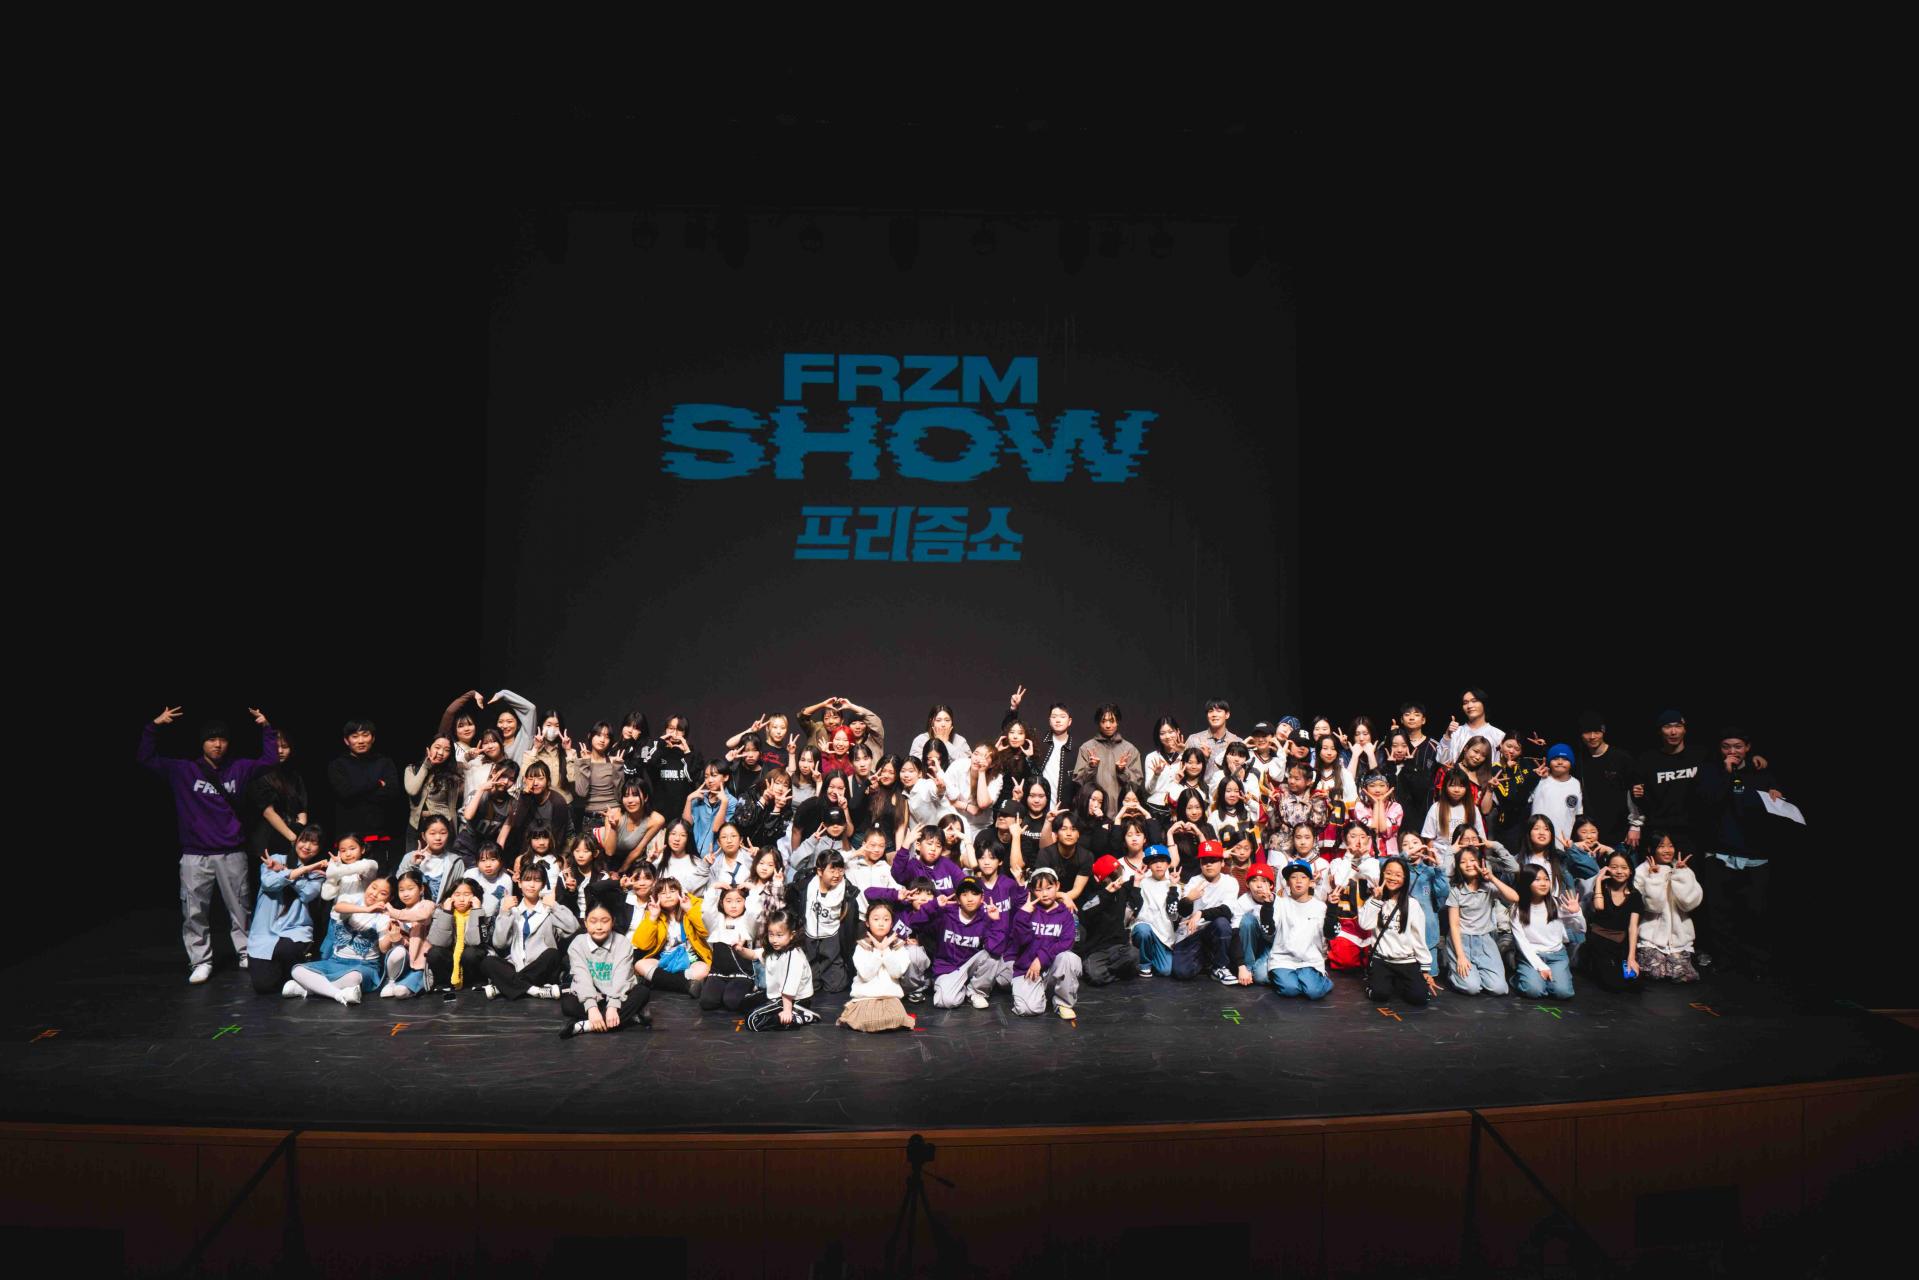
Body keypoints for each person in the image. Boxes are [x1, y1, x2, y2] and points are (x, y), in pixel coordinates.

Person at [139, 705, 279, 982]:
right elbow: (146, 758)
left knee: (240, 908)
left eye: (222, 739)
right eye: (211, 739)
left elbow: (270, 760)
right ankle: (200, 960)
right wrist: (153, 726)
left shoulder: (239, 768)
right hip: (195, 853)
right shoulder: (184, 770)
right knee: (194, 911)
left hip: (232, 851)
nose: (217, 744)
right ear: (202, 743)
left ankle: (245, 951)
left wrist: (266, 728)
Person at [1693, 727, 1786, 980]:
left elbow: (1774, 805)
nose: (1732, 751)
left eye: (1737, 746)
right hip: (1720, 853)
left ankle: (1757, 965)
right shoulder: (1710, 772)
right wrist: (1726, 773)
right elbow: (1707, 802)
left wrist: (1777, 795)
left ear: (1747, 748)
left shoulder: (1761, 772)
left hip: (1754, 855)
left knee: (1755, 912)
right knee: (1720, 914)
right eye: (1726, 747)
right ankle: (1725, 962)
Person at [285, 875, 393, 1005]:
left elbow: (384, 949)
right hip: (336, 961)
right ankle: (338, 994)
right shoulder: (354, 899)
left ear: (389, 899)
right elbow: (339, 907)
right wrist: (367, 909)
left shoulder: (384, 917)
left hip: (363, 966)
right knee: (297, 970)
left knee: (353, 978)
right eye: (373, 887)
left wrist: (391, 934)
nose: (374, 894)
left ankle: (309, 988)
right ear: (367, 886)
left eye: (382, 893)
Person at [247, 825, 329, 996]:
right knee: (263, 986)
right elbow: (269, 883)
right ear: (296, 841)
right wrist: (301, 870)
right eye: (304, 840)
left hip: (295, 929)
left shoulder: (318, 873)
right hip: (264, 932)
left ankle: (298, 973)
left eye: (314, 843)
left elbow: (308, 894)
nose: (307, 846)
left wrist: (286, 871)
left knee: (286, 950)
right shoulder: (276, 859)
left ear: (320, 848)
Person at [480, 863, 579, 1000]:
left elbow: (573, 927)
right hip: (517, 966)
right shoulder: (513, 910)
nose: (531, 885)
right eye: (527, 880)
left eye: (537, 880)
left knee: (553, 954)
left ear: (543, 885)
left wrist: (555, 906)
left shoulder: (549, 909)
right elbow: (499, 943)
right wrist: (504, 913)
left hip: (542, 968)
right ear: (520, 883)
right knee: (488, 962)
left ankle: (503, 987)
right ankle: (533, 990)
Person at [560, 903, 651, 1037]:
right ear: (585, 923)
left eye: (605, 921)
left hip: (619, 994)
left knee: (642, 992)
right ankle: (628, 1017)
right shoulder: (578, 943)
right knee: (568, 1004)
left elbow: (622, 977)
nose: (599, 926)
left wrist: (613, 1005)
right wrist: (591, 1007)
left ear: (613, 922)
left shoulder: (622, 942)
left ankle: (586, 1025)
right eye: (593, 921)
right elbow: (582, 976)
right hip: (593, 994)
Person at [328, 719, 403, 875]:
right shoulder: (338, 765)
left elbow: (392, 793)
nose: (361, 740)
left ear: (373, 738)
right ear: (346, 740)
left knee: (379, 880)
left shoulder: (384, 762)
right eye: (355, 736)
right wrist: (377, 784)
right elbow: (345, 794)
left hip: (379, 833)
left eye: (365, 735)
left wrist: (358, 792)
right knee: (347, 881)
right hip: (349, 836)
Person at [1444, 841, 1518, 995]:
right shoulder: (1456, 891)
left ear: (1480, 862)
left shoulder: (1488, 887)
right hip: (1462, 940)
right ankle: (1454, 973)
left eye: (1472, 860)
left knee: (1499, 988)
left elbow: (1515, 898)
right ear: (1458, 866)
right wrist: (1461, 956)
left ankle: (1477, 972)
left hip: (1485, 941)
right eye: (1463, 862)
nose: (1468, 864)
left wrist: (1492, 878)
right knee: (1472, 987)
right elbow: (1454, 925)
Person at [922, 878, 1008, 1009]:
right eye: (964, 894)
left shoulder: (986, 918)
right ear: (957, 899)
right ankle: (960, 988)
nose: (970, 899)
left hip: (970, 967)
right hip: (947, 970)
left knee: (992, 956)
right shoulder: (945, 914)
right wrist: (933, 905)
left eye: (975, 894)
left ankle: (976, 992)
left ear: (982, 898)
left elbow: (996, 950)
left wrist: (996, 921)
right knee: (946, 1002)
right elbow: (917, 924)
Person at [1255, 861, 1333, 999]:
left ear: (1311, 882)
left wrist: (1333, 909)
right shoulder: (1280, 903)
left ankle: (1320, 980)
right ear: (1287, 883)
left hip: (1309, 960)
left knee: (1313, 992)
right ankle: (1293, 979)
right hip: (1284, 958)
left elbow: (1330, 934)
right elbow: (1269, 930)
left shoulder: (1320, 906)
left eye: (1303, 877)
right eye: (1293, 877)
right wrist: (1267, 906)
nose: (1298, 881)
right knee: (1289, 990)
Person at [1010, 867, 1081, 1019]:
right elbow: (1020, 941)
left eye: (1049, 888)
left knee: (1069, 958)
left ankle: (1063, 1003)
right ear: (1032, 891)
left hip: (1051, 968)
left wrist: (1040, 959)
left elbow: (1066, 943)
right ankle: (1038, 993)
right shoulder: (1027, 910)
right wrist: (1023, 915)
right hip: (1027, 969)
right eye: (1039, 890)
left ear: (1057, 886)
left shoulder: (1065, 914)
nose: (1044, 894)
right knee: (1028, 1009)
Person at [1633, 832, 1704, 982]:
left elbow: (1688, 904)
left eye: (1670, 846)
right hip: (1651, 939)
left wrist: (1682, 875)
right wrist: (1654, 878)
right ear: (1651, 849)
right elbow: (1653, 907)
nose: (1667, 850)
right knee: (1654, 974)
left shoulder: (1683, 869)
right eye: (1661, 846)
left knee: (1683, 976)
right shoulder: (1641, 871)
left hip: (1679, 939)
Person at [839, 899, 916, 1032]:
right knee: (868, 1021)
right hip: (866, 998)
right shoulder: (862, 946)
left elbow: (896, 973)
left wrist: (885, 949)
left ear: (891, 923)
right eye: (876, 919)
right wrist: (877, 951)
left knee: (895, 1019)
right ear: (868, 923)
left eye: (886, 919)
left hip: (889, 998)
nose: (881, 923)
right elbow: (866, 974)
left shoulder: (898, 946)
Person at [1172, 840, 1239, 983]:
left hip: (1213, 930)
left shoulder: (1230, 882)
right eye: (1204, 861)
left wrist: (1201, 913)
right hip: (1192, 932)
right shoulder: (1194, 881)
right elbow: (1182, 913)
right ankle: (1206, 959)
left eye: (1213, 860)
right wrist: (1189, 899)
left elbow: (1227, 911)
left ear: (1222, 862)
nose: (1208, 864)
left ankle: (1219, 966)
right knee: (1182, 972)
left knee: (1222, 923)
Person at [631, 875, 709, 999]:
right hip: (664, 958)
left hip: (690, 958)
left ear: (680, 893)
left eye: (672, 891)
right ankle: (686, 985)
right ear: (656, 897)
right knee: (640, 965)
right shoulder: (652, 913)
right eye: (662, 893)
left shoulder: (693, 906)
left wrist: (689, 909)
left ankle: (659, 980)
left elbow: (706, 932)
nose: (668, 896)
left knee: (704, 969)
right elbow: (642, 944)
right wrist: (653, 917)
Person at [1579, 850, 1645, 995]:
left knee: (1635, 980)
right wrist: (1598, 880)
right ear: (1607, 869)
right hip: (1599, 939)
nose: (1619, 871)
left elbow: (1633, 927)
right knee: (1614, 984)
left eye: (1624, 867)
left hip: (1620, 942)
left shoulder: (1635, 896)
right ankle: (1590, 962)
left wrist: (1631, 957)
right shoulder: (1602, 889)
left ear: (1630, 871)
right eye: (1614, 867)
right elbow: (1599, 907)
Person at [1513, 865, 1583, 999]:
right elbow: (1521, 942)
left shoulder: (1557, 903)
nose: (1543, 883)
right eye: (1537, 879)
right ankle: (1522, 977)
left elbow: (1580, 929)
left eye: (1546, 879)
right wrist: (1541, 966)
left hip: (1556, 956)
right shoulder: (1517, 909)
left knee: (1563, 993)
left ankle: (1541, 978)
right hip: (1531, 955)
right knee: (1533, 991)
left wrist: (1577, 913)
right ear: (1526, 883)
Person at [746, 909, 820, 1030]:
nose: (774, 940)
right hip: (778, 996)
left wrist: (787, 1011)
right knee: (745, 1002)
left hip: (795, 1000)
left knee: (752, 1020)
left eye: (779, 935)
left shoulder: (794, 955)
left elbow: (789, 987)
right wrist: (739, 949)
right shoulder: (774, 950)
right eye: (771, 934)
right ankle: (782, 1012)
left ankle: (800, 1016)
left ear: (791, 935)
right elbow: (754, 954)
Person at [1572, 713, 1637, 848]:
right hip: (1590, 836)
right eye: (1587, 732)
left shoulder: (1621, 758)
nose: (1592, 736)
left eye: (1596, 731)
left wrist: (1635, 826)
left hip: (1621, 834)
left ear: (1603, 731)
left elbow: (1634, 793)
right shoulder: (1578, 761)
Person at [1074, 856, 1139, 987]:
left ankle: (1110, 973)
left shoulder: (1123, 890)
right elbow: (1084, 914)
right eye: (1113, 875)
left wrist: (1136, 883)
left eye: (1119, 871)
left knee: (1134, 955)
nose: (1118, 877)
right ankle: (1119, 974)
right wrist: (1106, 893)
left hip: (1119, 947)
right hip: (1097, 949)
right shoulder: (1094, 895)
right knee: (1094, 975)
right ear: (1103, 879)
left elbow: (1136, 904)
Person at [700, 883, 762, 1015]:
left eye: (738, 901)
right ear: (722, 903)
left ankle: (752, 990)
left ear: (745, 903)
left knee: (732, 1002)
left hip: (742, 975)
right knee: (707, 1002)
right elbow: (707, 912)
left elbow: (754, 913)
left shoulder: (747, 922)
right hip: (718, 974)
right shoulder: (716, 922)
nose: (733, 905)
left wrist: (753, 890)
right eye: (728, 901)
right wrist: (713, 888)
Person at [246, 728, 308, 861]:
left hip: (293, 838)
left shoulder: (294, 775)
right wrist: (292, 837)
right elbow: (268, 812)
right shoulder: (258, 774)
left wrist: (299, 829)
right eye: (275, 747)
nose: (280, 751)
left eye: (284, 747)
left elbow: (301, 807)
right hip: (267, 841)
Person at [424, 878, 488, 1003]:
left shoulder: (480, 912)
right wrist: (447, 913)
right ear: (450, 896)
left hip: (470, 960)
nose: (461, 899)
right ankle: (443, 983)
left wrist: (476, 911)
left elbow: (475, 941)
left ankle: (477, 981)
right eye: (457, 895)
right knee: (434, 952)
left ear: (475, 897)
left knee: (471, 953)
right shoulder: (440, 912)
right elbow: (439, 942)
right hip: (450, 957)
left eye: (467, 894)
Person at [403, 734, 462, 838]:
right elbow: (412, 791)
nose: (441, 753)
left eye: (447, 750)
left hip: (442, 826)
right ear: (428, 748)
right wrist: (426, 766)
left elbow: (452, 807)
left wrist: (454, 834)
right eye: (437, 747)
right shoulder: (412, 769)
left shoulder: (451, 776)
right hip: (416, 827)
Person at [1530, 744, 1584, 846]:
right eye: (1555, 759)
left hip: (1562, 843)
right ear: (1549, 762)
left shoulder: (1576, 784)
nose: (1560, 762)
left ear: (1571, 763)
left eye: (1565, 759)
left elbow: (1578, 813)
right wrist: (1532, 777)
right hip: (1536, 840)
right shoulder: (1540, 779)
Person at [1437, 688, 1506, 765]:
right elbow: (1442, 760)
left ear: (1484, 703)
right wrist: (1447, 735)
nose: (1469, 706)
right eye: (1465, 702)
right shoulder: (1456, 732)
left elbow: (1500, 766)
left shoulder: (1498, 735)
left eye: (1474, 701)